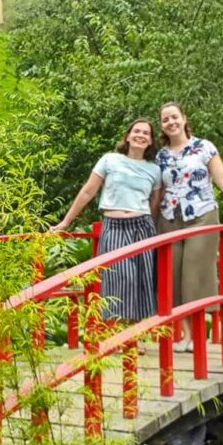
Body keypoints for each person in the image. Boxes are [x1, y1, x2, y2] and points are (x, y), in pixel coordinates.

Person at [155, 102, 223, 351]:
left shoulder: (203, 147)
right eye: (165, 120)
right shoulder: (160, 156)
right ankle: (184, 334)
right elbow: (157, 191)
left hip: (201, 214)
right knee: (173, 275)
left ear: (184, 118)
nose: (170, 122)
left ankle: (197, 336)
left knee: (193, 272)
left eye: (174, 117)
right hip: (169, 217)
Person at [52, 119, 162, 323]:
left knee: (142, 280)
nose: (140, 135)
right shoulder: (110, 160)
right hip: (114, 226)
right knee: (118, 276)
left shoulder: (154, 170)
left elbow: (154, 203)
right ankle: (116, 331)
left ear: (150, 141)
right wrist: (66, 222)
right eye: (136, 131)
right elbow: (88, 191)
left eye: (146, 133)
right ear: (128, 136)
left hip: (142, 226)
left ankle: (135, 335)